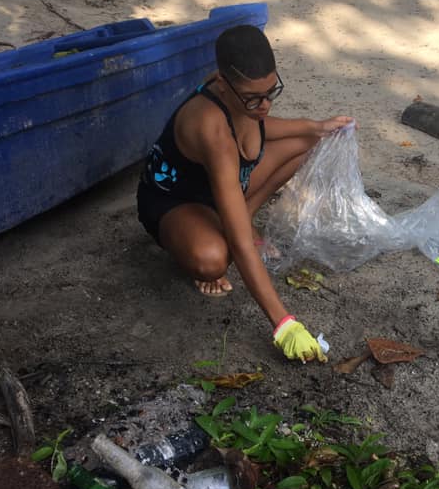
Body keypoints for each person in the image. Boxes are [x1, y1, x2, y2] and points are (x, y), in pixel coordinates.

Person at [136, 24, 352, 363]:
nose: (264, 104)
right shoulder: (212, 128)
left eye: (271, 91)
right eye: (254, 98)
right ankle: (209, 230)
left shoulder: (244, 96)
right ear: (222, 85)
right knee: (213, 259)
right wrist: (284, 323)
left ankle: (236, 216)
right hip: (176, 201)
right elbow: (238, 242)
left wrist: (315, 125)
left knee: (312, 143)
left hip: (222, 185)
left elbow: (262, 126)